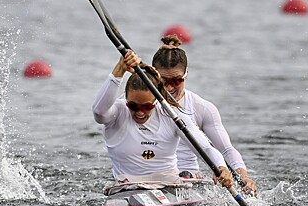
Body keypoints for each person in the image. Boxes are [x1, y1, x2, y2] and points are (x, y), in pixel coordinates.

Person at [92, 49, 233, 187]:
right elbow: (99, 113)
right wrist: (119, 70)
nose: (140, 113)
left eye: (146, 107)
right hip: (127, 186)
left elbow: (206, 148)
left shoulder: (172, 114)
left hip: (169, 184)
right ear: (126, 99)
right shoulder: (118, 112)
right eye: (134, 106)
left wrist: (221, 167)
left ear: (157, 101)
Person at [151, 35, 258, 196]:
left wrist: (243, 177)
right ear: (153, 75)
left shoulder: (202, 108)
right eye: (163, 81)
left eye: (176, 81)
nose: (169, 88)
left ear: (186, 75)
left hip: (187, 180)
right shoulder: (137, 104)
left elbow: (226, 150)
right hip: (148, 177)